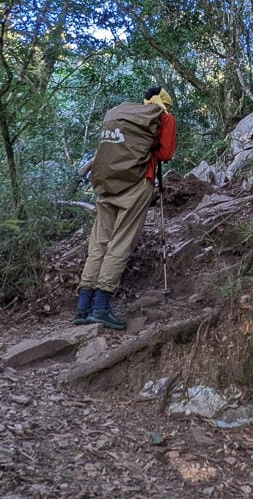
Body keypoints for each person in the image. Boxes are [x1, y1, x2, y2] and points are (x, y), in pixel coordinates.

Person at [74, 86, 177, 329]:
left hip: (107, 183)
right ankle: (100, 308)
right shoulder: (164, 118)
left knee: (98, 243)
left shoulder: (126, 115)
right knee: (120, 243)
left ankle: (82, 307)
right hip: (137, 184)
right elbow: (166, 154)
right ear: (165, 102)